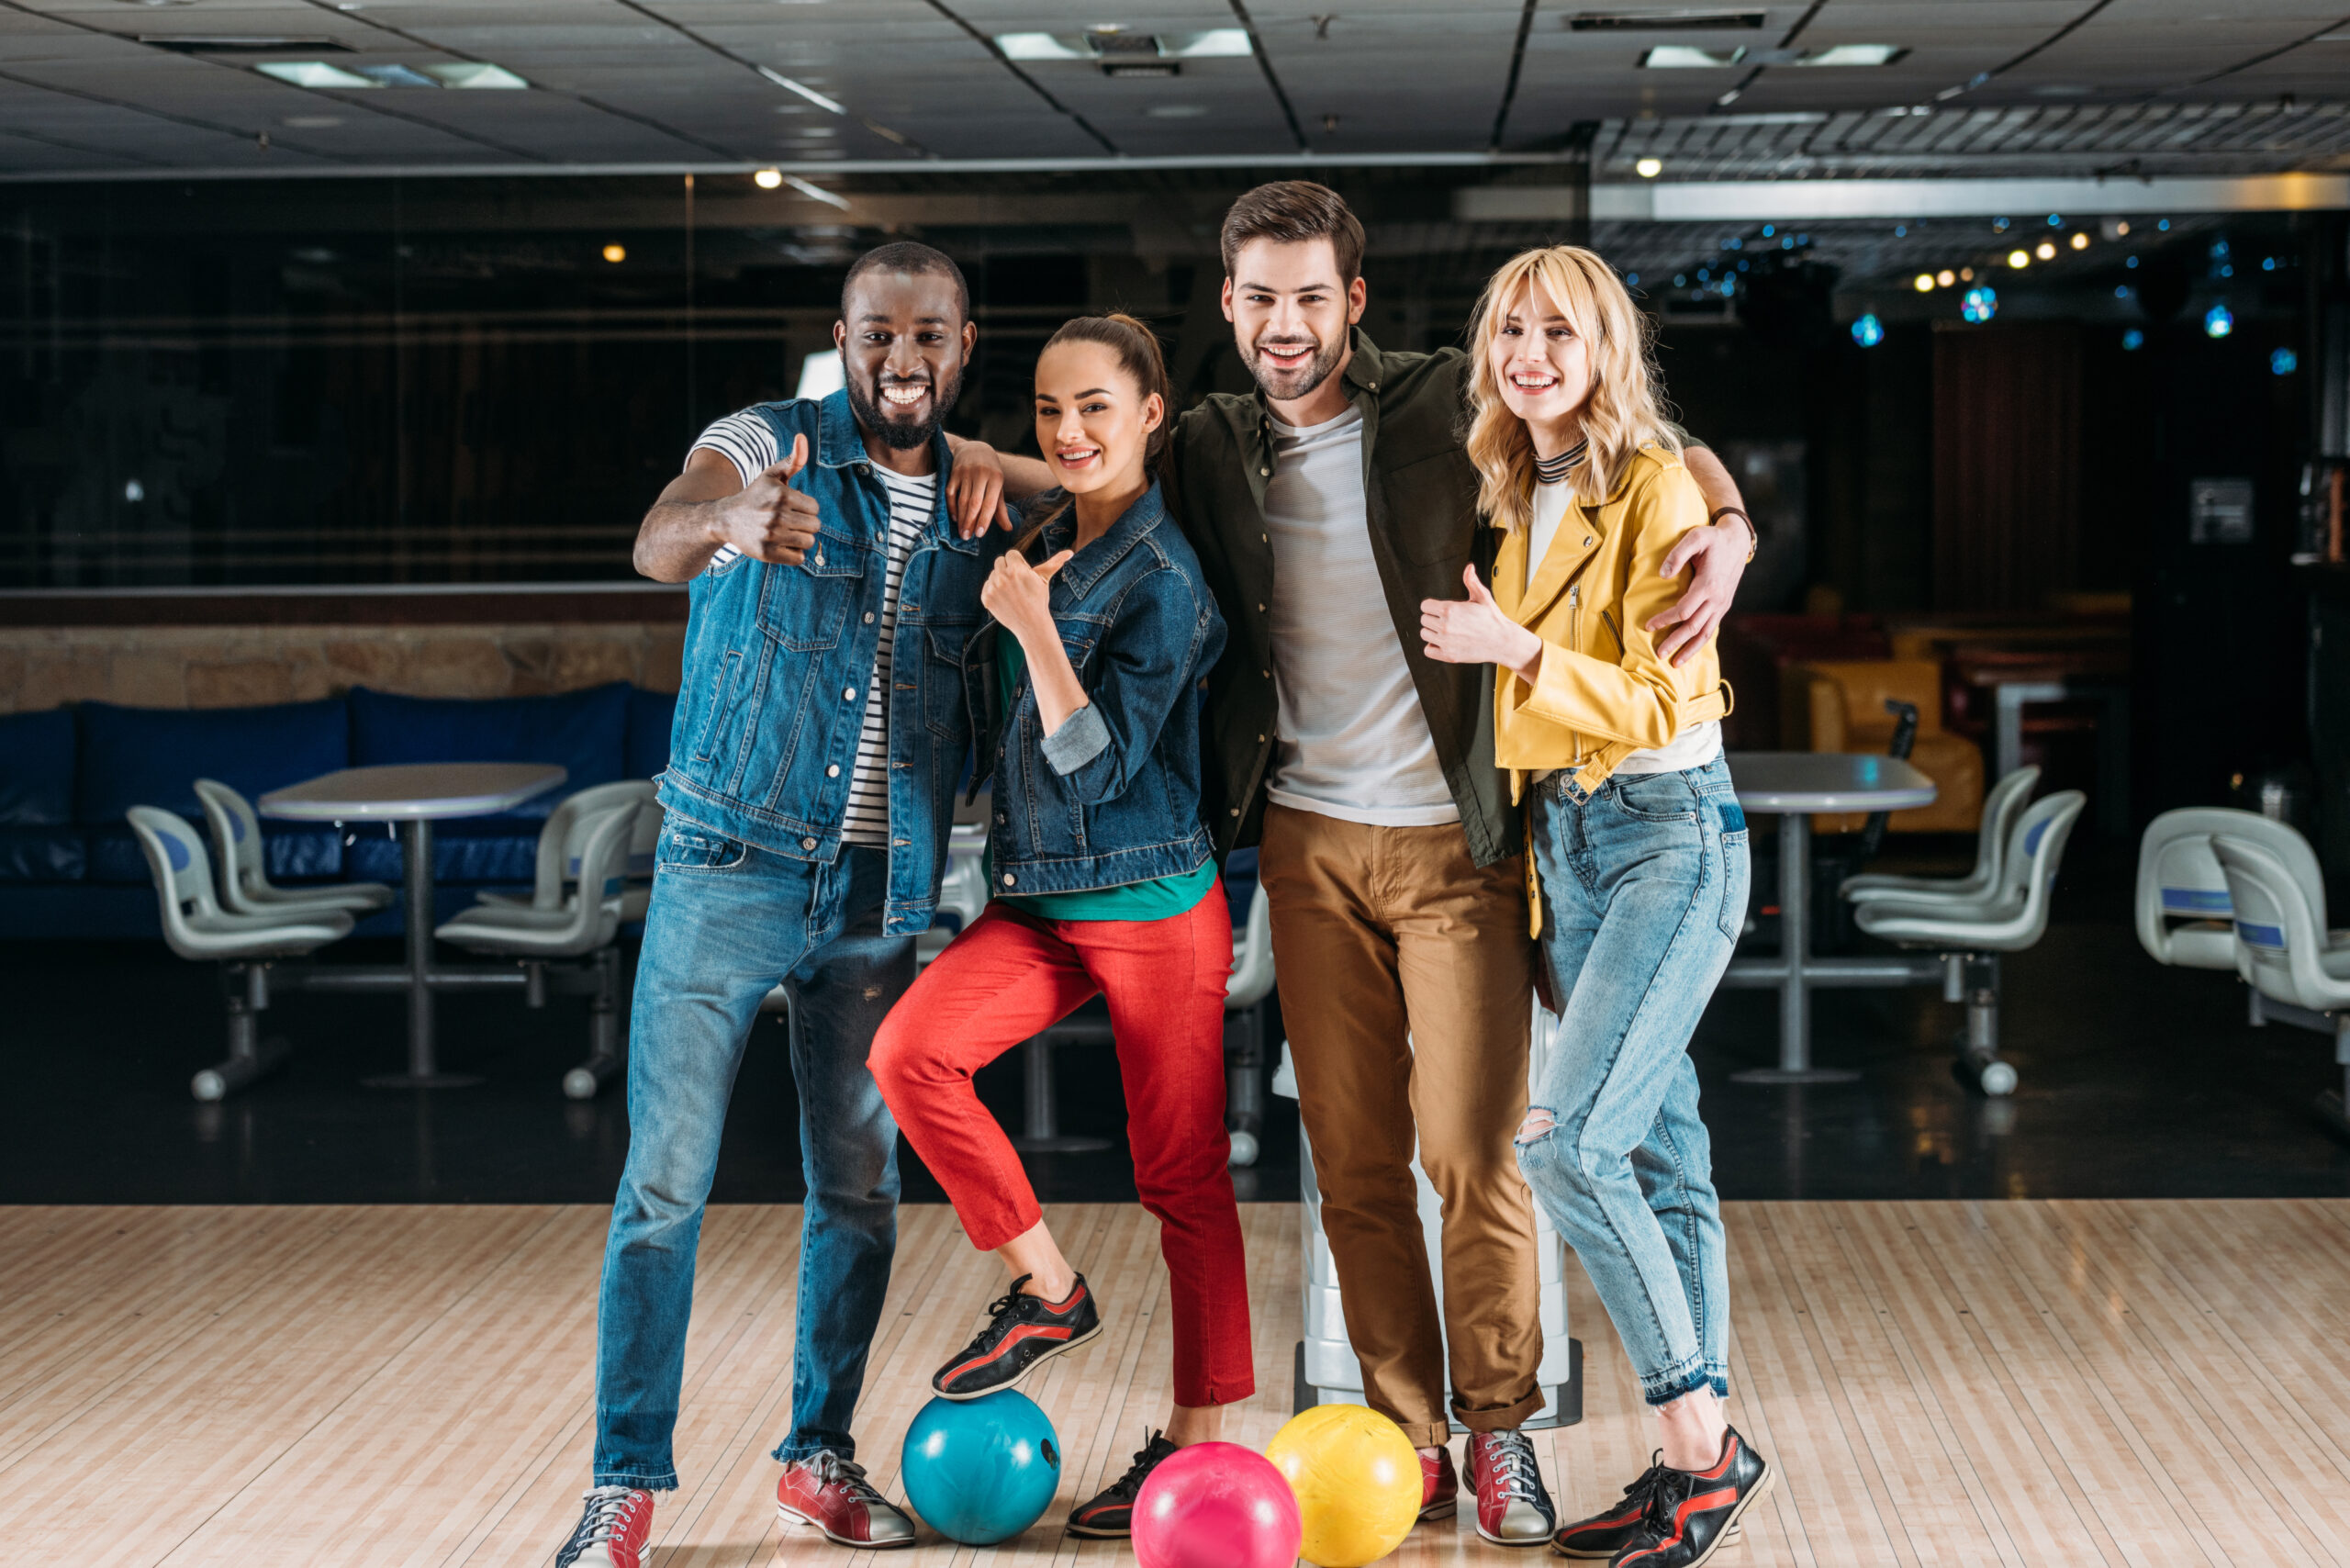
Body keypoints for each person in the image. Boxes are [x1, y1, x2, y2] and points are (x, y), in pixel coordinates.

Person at [977, 182, 1754, 1549]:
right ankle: (1413, 1431)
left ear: (1355, 302)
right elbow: (1090, 458)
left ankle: (1503, 1430)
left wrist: (1733, 530)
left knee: (1476, 1155)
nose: (1288, 324)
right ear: (1228, 306)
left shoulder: (1454, 401)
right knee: (1352, 1167)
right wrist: (980, 470)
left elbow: (1637, 429)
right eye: (1261, 298)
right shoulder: (1207, 443)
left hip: (1463, 839)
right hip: (1308, 842)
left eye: (1312, 296)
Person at [547, 241, 1013, 1568]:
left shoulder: (976, 499)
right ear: (844, 335)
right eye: (878, 334)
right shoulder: (770, 441)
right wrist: (725, 524)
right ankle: (623, 1482)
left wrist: (1001, 464)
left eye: (929, 335)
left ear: (962, 345)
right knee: (663, 1187)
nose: (901, 358)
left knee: (858, 1190)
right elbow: (657, 534)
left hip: (878, 893)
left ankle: (818, 1460)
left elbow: (1111, 486)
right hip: (727, 866)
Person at [866, 313, 1250, 1542]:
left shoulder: (1165, 582)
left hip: (1149, 905)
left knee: (1180, 1177)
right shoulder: (1053, 539)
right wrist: (981, 457)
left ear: (1151, 416)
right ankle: (1047, 1288)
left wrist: (1029, 628)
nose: (1069, 431)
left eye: (1096, 406)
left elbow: (1091, 764)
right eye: (1049, 409)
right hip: (1037, 903)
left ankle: (1197, 1448)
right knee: (909, 1056)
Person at [1418, 244, 1772, 1568]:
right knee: (1665, 1154)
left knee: (1566, 1147)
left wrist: (1516, 654)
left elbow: (1667, 700)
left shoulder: (1656, 482)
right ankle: (1694, 1465)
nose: (1531, 355)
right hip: (1567, 842)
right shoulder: (1515, 479)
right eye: (1512, 330)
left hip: (1667, 836)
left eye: (1560, 333)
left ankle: (1702, 1450)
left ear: (1606, 347)